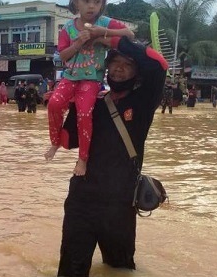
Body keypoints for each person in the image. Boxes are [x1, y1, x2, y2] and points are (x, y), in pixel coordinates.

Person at [56, 36, 168, 275]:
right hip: (81, 201)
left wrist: (109, 37)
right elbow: (68, 141)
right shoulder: (91, 102)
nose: (119, 67)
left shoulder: (143, 101)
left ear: (137, 72)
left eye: (127, 64)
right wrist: (66, 105)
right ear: (106, 68)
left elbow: (159, 66)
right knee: (70, 270)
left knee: (119, 269)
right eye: (115, 62)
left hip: (120, 204)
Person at [45, 0, 135, 176]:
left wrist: (101, 33)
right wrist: (78, 43)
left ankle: (82, 159)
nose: (91, 6)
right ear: (75, 1)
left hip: (91, 79)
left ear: (102, 3)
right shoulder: (68, 28)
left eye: (97, 1)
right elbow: (64, 57)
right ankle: (55, 142)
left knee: (84, 114)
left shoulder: (105, 22)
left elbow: (129, 34)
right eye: (86, 1)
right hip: (70, 77)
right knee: (54, 104)